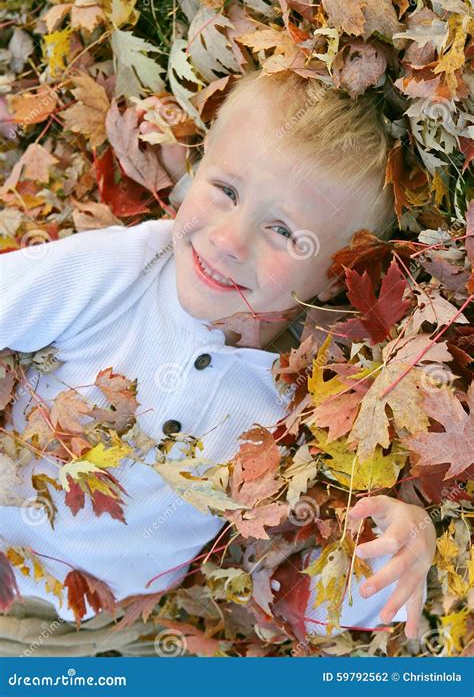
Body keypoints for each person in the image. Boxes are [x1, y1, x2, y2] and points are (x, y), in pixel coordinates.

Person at [0, 69, 435, 656]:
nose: (230, 240)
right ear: (197, 171)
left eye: (282, 232)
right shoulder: (123, 273)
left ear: (334, 276)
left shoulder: (304, 398)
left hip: (102, 624)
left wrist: (391, 550)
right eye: (226, 191)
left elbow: (309, 583)